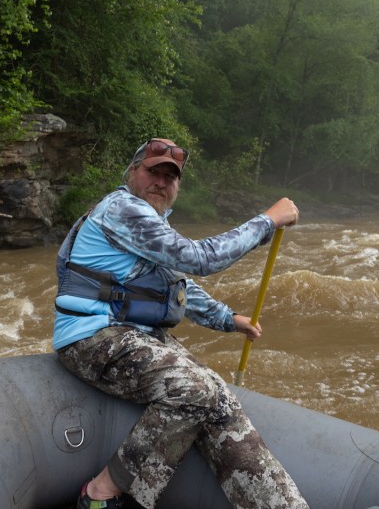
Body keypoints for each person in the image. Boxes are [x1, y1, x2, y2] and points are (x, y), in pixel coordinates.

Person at [53, 138, 308, 509]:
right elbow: (197, 258)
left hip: (137, 337)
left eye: (169, 177)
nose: (160, 182)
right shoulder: (123, 210)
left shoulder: (154, 227)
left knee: (219, 398)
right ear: (132, 172)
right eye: (152, 171)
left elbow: (177, 286)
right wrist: (267, 221)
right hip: (91, 338)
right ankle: (100, 493)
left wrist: (228, 319)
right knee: (193, 389)